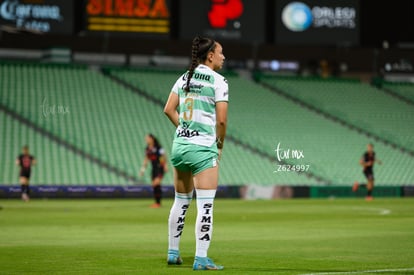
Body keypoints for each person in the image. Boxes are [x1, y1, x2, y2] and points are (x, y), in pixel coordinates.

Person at [163, 36, 228, 270]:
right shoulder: (219, 81)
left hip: (180, 146)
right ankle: (201, 258)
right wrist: (218, 145)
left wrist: (184, 128)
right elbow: (221, 120)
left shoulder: (184, 78)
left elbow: (168, 109)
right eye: (220, 52)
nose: (223, 56)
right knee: (205, 205)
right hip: (203, 148)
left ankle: (173, 252)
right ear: (210, 55)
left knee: (180, 202)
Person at [139, 134, 168, 208]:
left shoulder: (158, 147)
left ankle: (158, 203)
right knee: (155, 185)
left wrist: (165, 166)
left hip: (159, 168)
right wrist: (142, 170)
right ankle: (157, 203)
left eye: (147, 138)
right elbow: (146, 159)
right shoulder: (147, 149)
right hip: (154, 169)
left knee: (156, 183)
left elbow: (163, 157)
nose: (146, 140)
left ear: (152, 139)